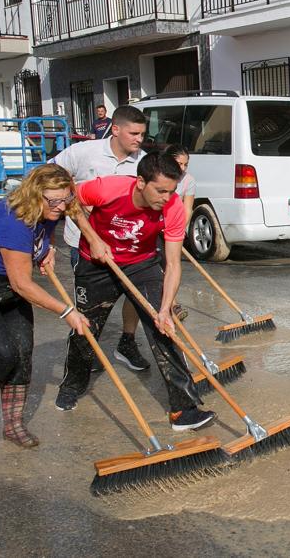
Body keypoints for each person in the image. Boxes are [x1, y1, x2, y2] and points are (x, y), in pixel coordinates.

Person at [54, 153, 217, 432]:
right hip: (96, 264)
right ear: (141, 182)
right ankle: (72, 385)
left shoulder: (173, 207)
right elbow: (70, 200)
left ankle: (184, 409)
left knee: (163, 329)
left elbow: (174, 264)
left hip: (141, 265)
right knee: (86, 329)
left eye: (172, 191)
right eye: (161, 190)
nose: (167, 198)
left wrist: (165, 310)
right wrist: (92, 238)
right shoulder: (107, 188)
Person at [0, 164, 96, 447]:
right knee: (3, 353)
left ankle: (13, 424)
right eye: (55, 201)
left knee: (23, 354)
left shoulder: (49, 208)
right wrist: (67, 310)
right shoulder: (11, 223)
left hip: (7, 285)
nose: (62, 207)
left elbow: (58, 218)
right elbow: (22, 285)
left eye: (66, 199)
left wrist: (46, 246)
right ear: (34, 194)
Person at [52, 104, 150, 372]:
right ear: (115, 129)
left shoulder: (143, 162)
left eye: (142, 134)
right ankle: (88, 349)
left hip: (128, 243)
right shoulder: (84, 152)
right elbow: (48, 177)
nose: (139, 140)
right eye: (133, 133)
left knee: (134, 294)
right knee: (91, 302)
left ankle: (127, 343)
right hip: (84, 242)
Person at [166, 144, 196, 321]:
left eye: (186, 164)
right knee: (160, 267)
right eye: (179, 164)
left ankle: (172, 303)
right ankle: (171, 304)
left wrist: (179, 231)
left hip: (174, 229)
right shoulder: (159, 175)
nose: (182, 168)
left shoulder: (188, 180)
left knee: (173, 265)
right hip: (156, 226)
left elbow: (187, 209)